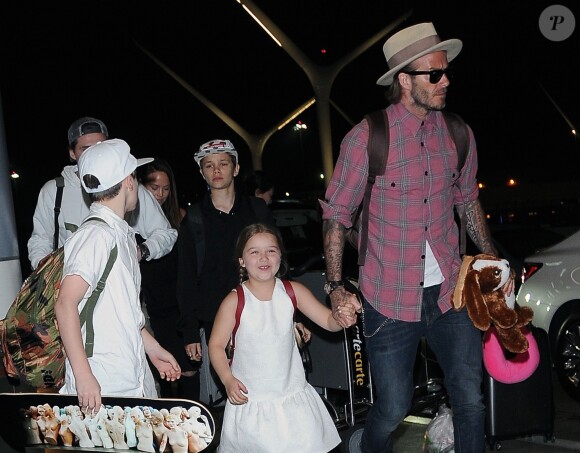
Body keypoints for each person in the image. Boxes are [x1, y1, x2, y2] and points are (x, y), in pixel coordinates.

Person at [320, 22, 513, 453]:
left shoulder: (458, 135)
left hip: (450, 293)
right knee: (391, 407)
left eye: (445, 71)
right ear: (404, 80)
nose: (446, 81)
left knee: (470, 399)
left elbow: (467, 201)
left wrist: (493, 259)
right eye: (434, 74)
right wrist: (335, 287)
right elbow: (336, 215)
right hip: (388, 295)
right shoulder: (367, 137)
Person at [54, 139, 181, 412]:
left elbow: (122, 311)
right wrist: (83, 376)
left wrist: (152, 349)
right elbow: (65, 304)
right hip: (102, 381)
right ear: (128, 181)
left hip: (129, 373)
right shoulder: (95, 236)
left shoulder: (120, 236)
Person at [208, 223, 359, 453]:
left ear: (280, 256)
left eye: (271, 250)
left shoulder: (293, 291)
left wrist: (343, 315)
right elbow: (216, 346)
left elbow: (328, 321)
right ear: (241, 261)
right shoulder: (235, 301)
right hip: (253, 404)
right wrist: (227, 379)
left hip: (293, 401)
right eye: (254, 252)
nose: (263, 257)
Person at [176, 139, 274, 403]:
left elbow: (275, 262)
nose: (216, 170)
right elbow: (185, 278)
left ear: (236, 168)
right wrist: (189, 331)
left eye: (223, 163)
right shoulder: (194, 218)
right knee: (230, 386)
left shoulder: (257, 209)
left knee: (266, 381)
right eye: (209, 165)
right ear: (202, 172)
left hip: (259, 310)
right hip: (216, 318)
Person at [27, 116, 177, 271]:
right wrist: (43, 266)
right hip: (70, 282)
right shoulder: (54, 191)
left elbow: (166, 234)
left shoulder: (127, 185)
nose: (96, 153)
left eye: (101, 146)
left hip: (119, 285)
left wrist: (140, 251)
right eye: (86, 149)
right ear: (72, 153)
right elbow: (40, 239)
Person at [137, 158, 199, 400]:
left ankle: (193, 425)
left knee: (187, 370)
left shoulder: (180, 218)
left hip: (176, 303)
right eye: (154, 188)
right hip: (150, 305)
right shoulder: (132, 222)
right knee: (158, 371)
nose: (160, 194)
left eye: (165, 188)